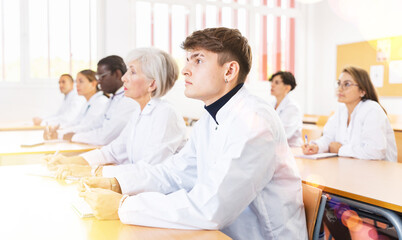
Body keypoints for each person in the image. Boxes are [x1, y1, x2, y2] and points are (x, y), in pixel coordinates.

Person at [78, 27, 307, 240]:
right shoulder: (210, 118)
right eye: (188, 60)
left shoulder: (255, 121)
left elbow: (211, 207)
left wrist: (122, 206)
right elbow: (175, 174)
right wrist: (117, 183)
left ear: (229, 70)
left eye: (198, 60)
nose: (186, 69)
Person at [45, 48, 187, 183]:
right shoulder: (139, 111)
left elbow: (146, 170)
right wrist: (71, 161)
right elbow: (112, 151)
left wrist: (89, 171)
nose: (124, 78)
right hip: (134, 187)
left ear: (152, 84)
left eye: (132, 72)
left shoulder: (165, 114)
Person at [302, 66, 397, 162]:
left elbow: (375, 152)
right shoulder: (341, 110)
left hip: (379, 172)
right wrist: (316, 147)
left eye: (347, 84)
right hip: (352, 167)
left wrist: (340, 149)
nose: (340, 88)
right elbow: (329, 138)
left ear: (362, 91)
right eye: (339, 83)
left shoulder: (372, 109)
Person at [61, 55, 137, 145]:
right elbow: (95, 125)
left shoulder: (128, 100)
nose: (99, 81)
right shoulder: (113, 99)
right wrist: (64, 133)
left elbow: (104, 137)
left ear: (117, 74)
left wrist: (74, 136)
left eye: (102, 76)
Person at [43, 70, 109, 140]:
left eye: (81, 81)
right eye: (76, 82)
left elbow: (88, 127)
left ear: (93, 84)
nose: (77, 85)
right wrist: (60, 129)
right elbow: (76, 122)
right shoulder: (88, 103)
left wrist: (60, 133)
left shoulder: (101, 102)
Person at [269, 71, 303, 147]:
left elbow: (284, 135)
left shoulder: (293, 108)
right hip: (274, 148)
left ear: (287, 88)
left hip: (292, 149)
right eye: (272, 82)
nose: (272, 85)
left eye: (276, 83)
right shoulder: (271, 105)